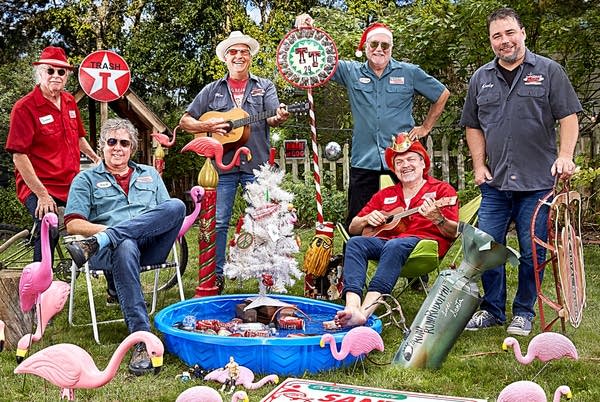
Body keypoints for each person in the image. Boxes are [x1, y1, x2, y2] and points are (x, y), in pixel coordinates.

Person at [460, 8, 582, 336]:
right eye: (497, 36)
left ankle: (524, 311)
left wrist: (565, 156)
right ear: (490, 41)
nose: (504, 41)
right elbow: (473, 126)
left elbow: (569, 117)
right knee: (486, 246)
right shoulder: (480, 79)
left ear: (523, 33)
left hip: (537, 182)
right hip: (495, 183)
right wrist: (479, 164)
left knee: (533, 249)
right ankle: (492, 309)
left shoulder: (549, 71)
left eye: (509, 33)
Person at [295, 14, 450, 229]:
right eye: (374, 44)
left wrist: (425, 128)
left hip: (402, 156)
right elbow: (320, 58)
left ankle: (415, 253)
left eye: (385, 45)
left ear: (391, 48)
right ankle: (351, 260)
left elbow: (441, 94)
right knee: (357, 218)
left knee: (415, 213)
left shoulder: (409, 73)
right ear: (366, 47)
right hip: (364, 157)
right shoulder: (351, 72)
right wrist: (307, 32)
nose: (379, 49)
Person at [63, 118, 186, 375]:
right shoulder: (85, 179)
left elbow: (167, 215)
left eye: (124, 143)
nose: (117, 147)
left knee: (177, 206)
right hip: (107, 253)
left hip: (144, 245)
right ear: (101, 146)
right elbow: (73, 224)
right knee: (125, 244)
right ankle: (141, 339)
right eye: (111, 142)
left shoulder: (150, 174)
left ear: (132, 148)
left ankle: (110, 238)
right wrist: (112, 235)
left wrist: (109, 234)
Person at [178, 31, 289, 293]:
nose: (239, 56)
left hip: (257, 164)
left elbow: (272, 117)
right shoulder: (212, 90)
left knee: (264, 222)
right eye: (234, 52)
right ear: (226, 58)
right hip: (222, 165)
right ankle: (214, 277)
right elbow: (186, 121)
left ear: (250, 57)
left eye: (244, 52)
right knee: (218, 222)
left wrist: (280, 116)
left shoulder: (265, 86)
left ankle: (267, 279)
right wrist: (207, 124)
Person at [334, 134, 459, 328]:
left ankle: (365, 312)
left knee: (395, 244)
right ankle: (352, 306)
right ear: (394, 168)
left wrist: (438, 218)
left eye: (410, 159)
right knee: (355, 243)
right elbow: (353, 227)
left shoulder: (442, 191)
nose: (405, 165)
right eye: (399, 161)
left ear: (423, 163)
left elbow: (453, 233)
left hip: (424, 246)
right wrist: (368, 218)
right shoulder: (386, 194)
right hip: (388, 243)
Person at [5, 46, 100, 260]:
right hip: (39, 185)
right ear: (39, 72)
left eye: (61, 71)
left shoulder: (69, 102)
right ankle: (40, 286)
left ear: (67, 75)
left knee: (98, 220)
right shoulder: (25, 108)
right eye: (50, 71)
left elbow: (79, 138)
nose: (56, 76)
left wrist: (96, 159)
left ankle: (113, 288)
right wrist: (41, 194)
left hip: (70, 184)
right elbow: (19, 156)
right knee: (50, 225)